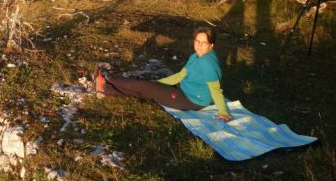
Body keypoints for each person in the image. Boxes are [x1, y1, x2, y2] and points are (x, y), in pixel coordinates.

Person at [94, 26, 233, 121]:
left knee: (144, 86)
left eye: (204, 42)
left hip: (191, 100)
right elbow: (180, 76)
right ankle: (106, 88)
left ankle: (109, 79)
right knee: (148, 88)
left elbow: (216, 90)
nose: (199, 45)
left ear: (211, 45)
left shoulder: (208, 64)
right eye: (197, 41)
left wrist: (223, 111)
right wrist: (159, 84)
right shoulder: (196, 56)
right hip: (182, 89)